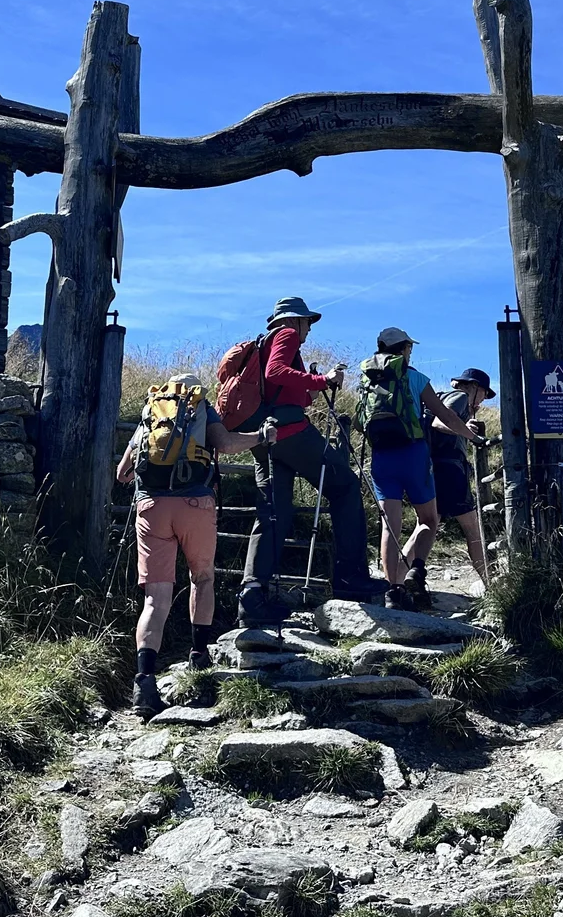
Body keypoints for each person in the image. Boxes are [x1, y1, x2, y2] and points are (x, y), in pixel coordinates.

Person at [115, 372, 278, 717]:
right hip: (195, 505)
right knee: (202, 578)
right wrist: (261, 436)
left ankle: (144, 683)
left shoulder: (151, 409)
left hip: (151, 508)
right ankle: (198, 656)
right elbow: (226, 444)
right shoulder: (200, 406)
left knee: (154, 599)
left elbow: (122, 472)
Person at [238, 297, 390, 626]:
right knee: (345, 486)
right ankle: (350, 577)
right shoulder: (287, 334)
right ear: (297, 320)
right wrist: (325, 380)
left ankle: (252, 598)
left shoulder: (263, 342)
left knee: (273, 513)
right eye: (308, 322)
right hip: (291, 433)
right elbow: (276, 372)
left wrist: (309, 387)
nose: (308, 329)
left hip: (264, 438)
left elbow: (280, 386)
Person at [356, 327, 478, 611]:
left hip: (381, 457)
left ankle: (393, 593)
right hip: (413, 454)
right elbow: (444, 414)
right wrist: (471, 436)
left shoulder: (366, 379)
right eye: (410, 347)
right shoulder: (415, 378)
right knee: (428, 519)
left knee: (391, 526)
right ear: (404, 349)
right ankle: (417, 570)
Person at [429, 367, 497, 597]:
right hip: (450, 467)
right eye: (485, 395)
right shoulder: (460, 397)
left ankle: (404, 577)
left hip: (430, 465)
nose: (483, 401)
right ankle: (491, 583)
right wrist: (468, 434)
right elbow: (439, 423)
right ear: (475, 388)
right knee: (472, 528)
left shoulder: (440, 397)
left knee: (429, 524)